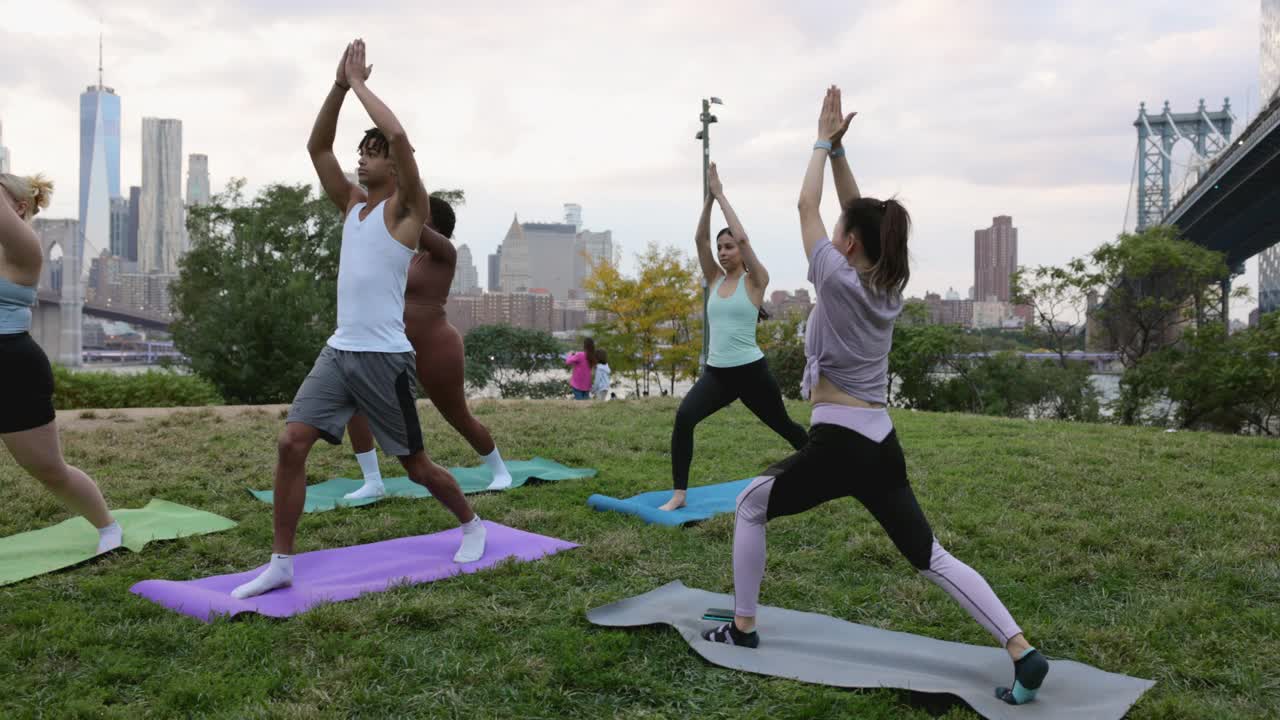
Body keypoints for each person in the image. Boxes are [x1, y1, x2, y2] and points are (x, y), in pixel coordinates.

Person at [701, 87, 1050, 707]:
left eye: (840, 232)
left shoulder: (834, 276)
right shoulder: (888, 281)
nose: (831, 233)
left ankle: (745, 627)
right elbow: (850, 211)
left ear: (850, 244)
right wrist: (839, 152)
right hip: (879, 442)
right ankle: (1021, 650)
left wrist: (817, 141)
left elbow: (805, 202)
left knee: (751, 503)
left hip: (839, 443)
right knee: (929, 555)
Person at [232, 40, 485, 599]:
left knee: (415, 466)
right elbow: (316, 145)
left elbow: (398, 137)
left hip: (384, 359)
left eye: (373, 151)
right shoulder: (353, 205)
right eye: (362, 150)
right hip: (339, 351)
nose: (363, 156)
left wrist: (363, 84)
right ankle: (281, 561)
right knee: (291, 443)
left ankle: (471, 523)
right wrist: (338, 87)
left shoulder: (408, 210)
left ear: (396, 165)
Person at [342, 196, 514, 498]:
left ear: (433, 224)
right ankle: (373, 481)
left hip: (436, 345)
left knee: (456, 414)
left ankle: (500, 470)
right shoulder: (409, 257)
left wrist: (399, 197)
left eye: (420, 214)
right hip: (393, 345)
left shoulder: (445, 253)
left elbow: (412, 225)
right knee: (356, 404)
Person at [660, 162, 807, 512]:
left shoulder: (755, 280)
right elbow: (698, 239)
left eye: (729, 247)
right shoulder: (713, 278)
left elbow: (744, 237)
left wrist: (722, 195)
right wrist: (709, 200)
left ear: (740, 252)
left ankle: (829, 463)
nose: (724, 251)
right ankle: (679, 494)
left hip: (751, 373)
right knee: (684, 419)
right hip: (717, 374)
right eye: (721, 247)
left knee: (784, 426)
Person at [0, 173, 121, 554]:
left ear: (18, 208)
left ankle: (108, 529)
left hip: (12, 367)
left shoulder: (26, 249)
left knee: (48, 469)